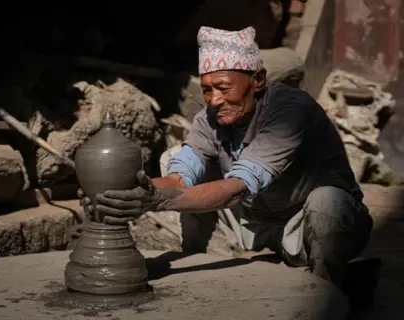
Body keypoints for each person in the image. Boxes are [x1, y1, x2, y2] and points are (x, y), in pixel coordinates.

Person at [78, 26, 381, 309]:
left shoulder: (291, 113)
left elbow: (237, 188)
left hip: (310, 226)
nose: (214, 100)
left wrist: (156, 202)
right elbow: (179, 177)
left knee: (328, 202)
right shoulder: (209, 119)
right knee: (174, 156)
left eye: (223, 87)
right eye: (207, 89)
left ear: (258, 80)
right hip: (258, 222)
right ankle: (203, 269)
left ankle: (324, 298)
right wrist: (122, 194)